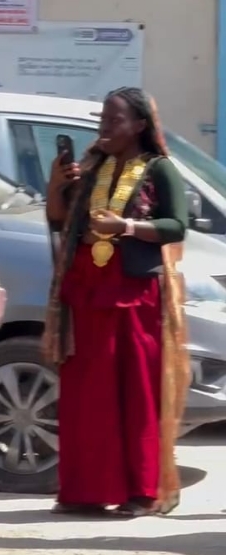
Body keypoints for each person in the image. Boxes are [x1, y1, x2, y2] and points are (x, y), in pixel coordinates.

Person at [44, 87, 189, 518]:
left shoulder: (159, 169)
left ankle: (141, 492)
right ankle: (85, 490)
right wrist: (56, 185)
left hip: (133, 290)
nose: (104, 128)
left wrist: (125, 226)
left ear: (140, 125)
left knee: (134, 391)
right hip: (86, 284)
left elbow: (176, 225)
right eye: (102, 120)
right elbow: (57, 218)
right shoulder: (92, 165)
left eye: (115, 120)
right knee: (87, 393)